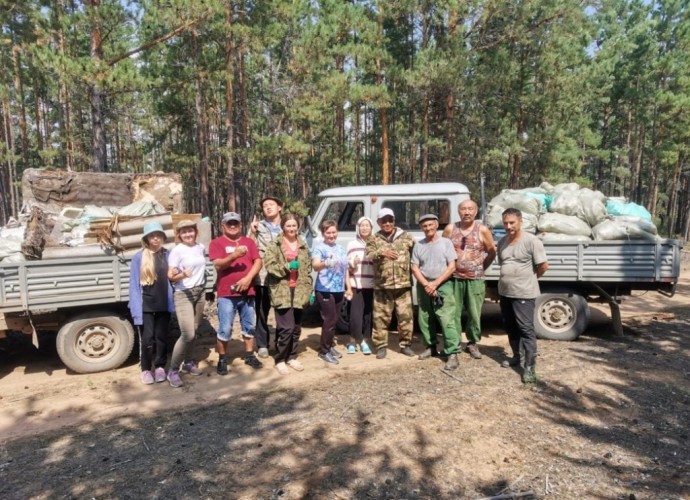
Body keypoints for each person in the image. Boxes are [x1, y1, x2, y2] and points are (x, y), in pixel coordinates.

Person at [497, 208, 549, 384]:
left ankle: (529, 367)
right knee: (510, 326)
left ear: (520, 222)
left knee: (525, 328)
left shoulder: (531, 241)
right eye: (505, 223)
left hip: (524, 293)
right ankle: (516, 356)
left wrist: (528, 280)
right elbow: (502, 262)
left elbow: (542, 266)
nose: (509, 226)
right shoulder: (502, 242)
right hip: (505, 292)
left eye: (512, 222)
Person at [208, 212, 263, 376]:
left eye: (236, 223)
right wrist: (234, 255)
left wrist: (248, 278)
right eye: (229, 223)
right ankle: (223, 359)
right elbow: (218, 265)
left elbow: (258, 261)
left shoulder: (248, 242)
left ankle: (249, 355)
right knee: (225, 328)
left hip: (248, 292)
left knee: (249, 326)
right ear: (222, 226)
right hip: (226, 294)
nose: (233, 226)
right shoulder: (216, 243)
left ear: (241, 225)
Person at [442, 199, 496, 359]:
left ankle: (472, 342)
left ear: (475, 211)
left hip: (475, 280)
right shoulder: (451, 229)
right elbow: (443, 250)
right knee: (454, 312)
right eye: (463, 209)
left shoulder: (483, 230)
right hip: (454, 279)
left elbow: (492, 251)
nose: (467, 212)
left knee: (474, 313)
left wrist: (480, 267)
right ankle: (455, 342)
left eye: (470, 209)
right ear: (458, 212)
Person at [263, 214, 313, 375]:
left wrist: (309, 291)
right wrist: (287, 266)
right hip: (281, 291)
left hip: (299, 291)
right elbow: (270, 266)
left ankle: (291, 356)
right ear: (283, 227)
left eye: (294, 226)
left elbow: (307, 271)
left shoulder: (303, 246)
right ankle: (280, 359)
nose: (291, 229)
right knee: (286, 328)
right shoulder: (275, 245)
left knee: (296, 328)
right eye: (288, 226)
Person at [411, 214, 461, 370]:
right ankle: (431, 347)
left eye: (431, 225)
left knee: (446, 318)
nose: (428, 228)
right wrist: (427, 284)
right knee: (425, 318)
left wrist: (435, 284)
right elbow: (414, 267)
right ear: (421, 228)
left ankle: (452, 353)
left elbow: (452, 266)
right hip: (424, 285)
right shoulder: (419, 245)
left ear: (437, 225)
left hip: (443, 284)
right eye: (424, 226)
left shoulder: (446, 243)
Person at [366, 207, 416, 359]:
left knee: (405, 316)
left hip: (403, 285)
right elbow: (368, 255)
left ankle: (405, 345)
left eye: (390, 220)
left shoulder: (406, 237)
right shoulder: (373, 239)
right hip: (382, 286)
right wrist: (381, 252)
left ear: (394, 221)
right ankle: (381, 346)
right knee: (380, 317)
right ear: (379, 222)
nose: (387, 223)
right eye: (383, 221)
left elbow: (416, 256)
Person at [128, 221, 174, 385]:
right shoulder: (139, 257)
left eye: (158, 235)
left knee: (161, 338)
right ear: (146, 239)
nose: (156, 238)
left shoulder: (168, 255)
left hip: (163, 305)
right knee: (147, 339)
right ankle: (146, 369)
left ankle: (160, 367)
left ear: (162, 237)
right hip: (146, 306)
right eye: (152, 236)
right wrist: (136, 310)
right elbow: (133, 285)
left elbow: (173, 278)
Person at [166, 219, 207, 388]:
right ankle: (173, 371)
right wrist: (182, 275)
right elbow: (171, 276)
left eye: (190, 231)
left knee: (195, 331)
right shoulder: (177, 251)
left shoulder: (201, 247)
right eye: (184, 232)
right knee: (187, 334)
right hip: (183, 294)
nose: (188, 234)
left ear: (195, 232)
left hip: (200, 292)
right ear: (179, 235)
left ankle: (188, 363)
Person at [250, 196, 284, 358]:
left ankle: (281, 342)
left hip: (282, 275)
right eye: (265, 206)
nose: (268, 208)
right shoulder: (258, 226)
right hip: (263, 275)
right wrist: (251, 231)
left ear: (280, 208)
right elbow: (248, 247)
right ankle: (262, 343)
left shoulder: (288, 225)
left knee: (282, 311)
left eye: (271, 205)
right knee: (262, 310)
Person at [312, 220, 348, 365]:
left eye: (334, 232)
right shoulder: (319, 248)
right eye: (328, 233)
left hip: (339, 288)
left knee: (334, 320)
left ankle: (330, 346)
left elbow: (345, 269)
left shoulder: (340, 248)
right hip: (324, 289)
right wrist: (325, 263)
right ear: (323, 233)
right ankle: (324, 351)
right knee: (329, 320)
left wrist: (348, 287)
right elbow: (315, 265)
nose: (331, 235)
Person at [345, 216, 374, 355]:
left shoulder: (375, 243)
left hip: (372, 284)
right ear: (358, 227)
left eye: (367, 225)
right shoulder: (352, 244)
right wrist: (353, 264)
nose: (364, 228)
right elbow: (347, 268)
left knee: (368, 315)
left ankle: (365, 341)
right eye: (362, 225)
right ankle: (352, 341)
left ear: (371, 228)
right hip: (356, 284)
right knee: (355, 315)